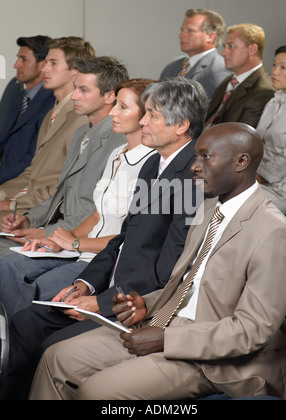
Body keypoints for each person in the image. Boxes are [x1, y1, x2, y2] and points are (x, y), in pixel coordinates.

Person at [29, 122, 286, 401]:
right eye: (196, 156)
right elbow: (186, 284)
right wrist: (145, 303)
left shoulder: (273, 232)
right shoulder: (208, 209)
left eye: (206, 156)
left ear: (241, 162)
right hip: (164, 322)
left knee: (96, 390)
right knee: (56, 358)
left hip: (216, 358)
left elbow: (252, 330)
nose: (194, 166)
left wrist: (168, 340)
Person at [6, 77, 208, 400]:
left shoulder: (189, 178)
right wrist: (85, 285)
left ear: (181, 125)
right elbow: (123, 238)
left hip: (134, 306)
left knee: (49, 348)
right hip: (107, 290)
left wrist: (98, 304)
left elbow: (168, 269)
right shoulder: (154, 163)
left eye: (152, 115)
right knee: (24, 322)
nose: (143, 120)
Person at [0, 78, 156, 320]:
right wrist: (61, 240)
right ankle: (14, 339)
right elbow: (96, 215)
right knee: (8, 267)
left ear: (147, 115)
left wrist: (73, 244)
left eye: (123, 107)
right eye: (115, 105)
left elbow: (130, 238)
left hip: (102, 259)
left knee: (35, 289)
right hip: (80, 249)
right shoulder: (117, 153)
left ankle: (20, 340)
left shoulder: (152, 164)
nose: (113, 112)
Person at [0, 57, 128, 260]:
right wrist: (28, 219)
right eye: (75, 88)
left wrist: (48, 233)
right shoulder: (81, 133)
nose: (74, 96)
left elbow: (97, 212)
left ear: (110, 96)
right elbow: (62, 192)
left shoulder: (119, 141)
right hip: (57, 231)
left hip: (79, 244)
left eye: (84, 90)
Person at [0, 37, 96, 220]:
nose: (44, 69)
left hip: (44, 214)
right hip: (29, 204)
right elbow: (33, 172)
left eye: (53, 63)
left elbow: (65, 185)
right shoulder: (52, 113)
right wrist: (3, 194)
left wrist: (13, 204)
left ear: (75, 70)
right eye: (46, 63)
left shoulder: (81, 119)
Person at [0, 36, 55, 183]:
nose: (16, 65)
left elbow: (32, 160)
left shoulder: (52, 103)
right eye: (18, 59)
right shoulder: (20, 97)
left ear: (43, 64)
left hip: (19, 182)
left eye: (24, 60)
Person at [256, 44, 286, 215]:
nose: (274, 71)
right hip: (257, 179)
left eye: (283, 67)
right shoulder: (274, 101)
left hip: (285, 188)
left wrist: (260, 177)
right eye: (274, 65)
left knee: (232, 207)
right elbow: (258, 141)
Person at [205, 24, 274, 129]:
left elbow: (241, 140)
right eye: (224, 47)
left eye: (231, 46)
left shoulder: (264, 91)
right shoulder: (229, 81)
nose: (224, 53)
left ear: (252, 50)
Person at [160, 9, 230, 100]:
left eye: (190, 31)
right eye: (182, 30)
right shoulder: (173, 65)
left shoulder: (220, 69)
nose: (181, 35)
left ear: (210, 37)